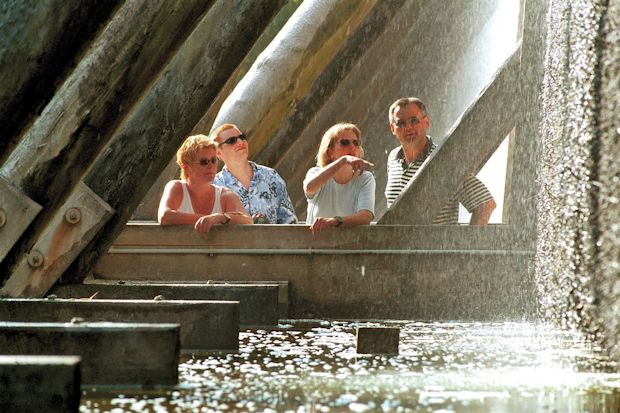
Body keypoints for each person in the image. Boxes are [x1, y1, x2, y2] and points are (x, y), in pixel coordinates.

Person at [385, 97, 496, 224]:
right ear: (392, 128)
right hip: (396, 243)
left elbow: (485, 204)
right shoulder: (393, 158)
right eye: (401, 123)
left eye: (414, 121)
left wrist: (467, 243)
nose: (408, 127)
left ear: (426, 122)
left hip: (436, 244)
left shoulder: (444, 160)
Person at [158, 134, 252, 234]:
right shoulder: (176, 187)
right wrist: (209, 219)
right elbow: (165, 216)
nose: (211, 166)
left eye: (213, 160)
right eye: (204, 162)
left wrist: (221, 217)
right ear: (186, 166)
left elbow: (248, 221)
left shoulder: (224, 195)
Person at [212, 124, 298, 224]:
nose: (240, 142)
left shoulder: (271, 176)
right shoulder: (214, 186)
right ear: (218, 153)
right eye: (231, 141)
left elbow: (290, 223)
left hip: (272, 240)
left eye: (242, 137)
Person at [303, 122, 375, 234]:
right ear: (329, 152)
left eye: (356, 143)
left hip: (349, 246)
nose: (352, 147)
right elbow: (309, 188)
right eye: (344, 143)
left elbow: (365, 217)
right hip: (315, 246)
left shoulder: (365, 178)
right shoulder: (316, 172)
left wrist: (335, 221)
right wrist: (343, 161)